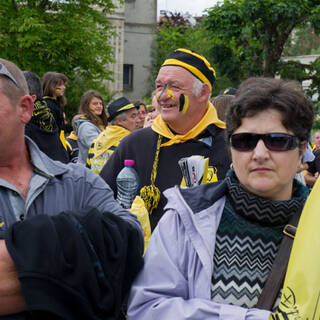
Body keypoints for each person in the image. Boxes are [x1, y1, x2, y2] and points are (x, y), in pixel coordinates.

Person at [127, 77, 314, 319]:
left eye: (277, 141)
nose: (259, 154)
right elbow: (147, 309)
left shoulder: (315, 226)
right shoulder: (184, 218)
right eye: (245, 141)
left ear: (301, 151)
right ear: (230, 149)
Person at [0, 59, 143, 319]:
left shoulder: (78, 182)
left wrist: (32, 250)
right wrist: (82, 256)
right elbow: (112, 252)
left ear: (25, 108)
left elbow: (130, 240)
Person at [100, 48, 231, 231]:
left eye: (175, 87)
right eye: (159, 86)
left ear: (203, 93)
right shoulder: (135, 143)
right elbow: (98, 203)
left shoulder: (233, 146)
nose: (162, 96)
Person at [23, 71, 70, 163]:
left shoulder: (48, 105)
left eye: (63, 85)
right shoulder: (46, 105)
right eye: (59, 85)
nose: (63, 87)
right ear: (50, 86)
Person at [87, 97, 140, 174]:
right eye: (133, 116)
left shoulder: (96, 141)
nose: (138, 120)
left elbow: (88, 171)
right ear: (119, 121)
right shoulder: (130, 142)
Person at [75, 89, 108, 165]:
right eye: (95, 104)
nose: (99, 106)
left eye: (101, 103)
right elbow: (98, 147)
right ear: (86, 106)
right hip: (87, 172)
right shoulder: (86, 126)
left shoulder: (98, 124)